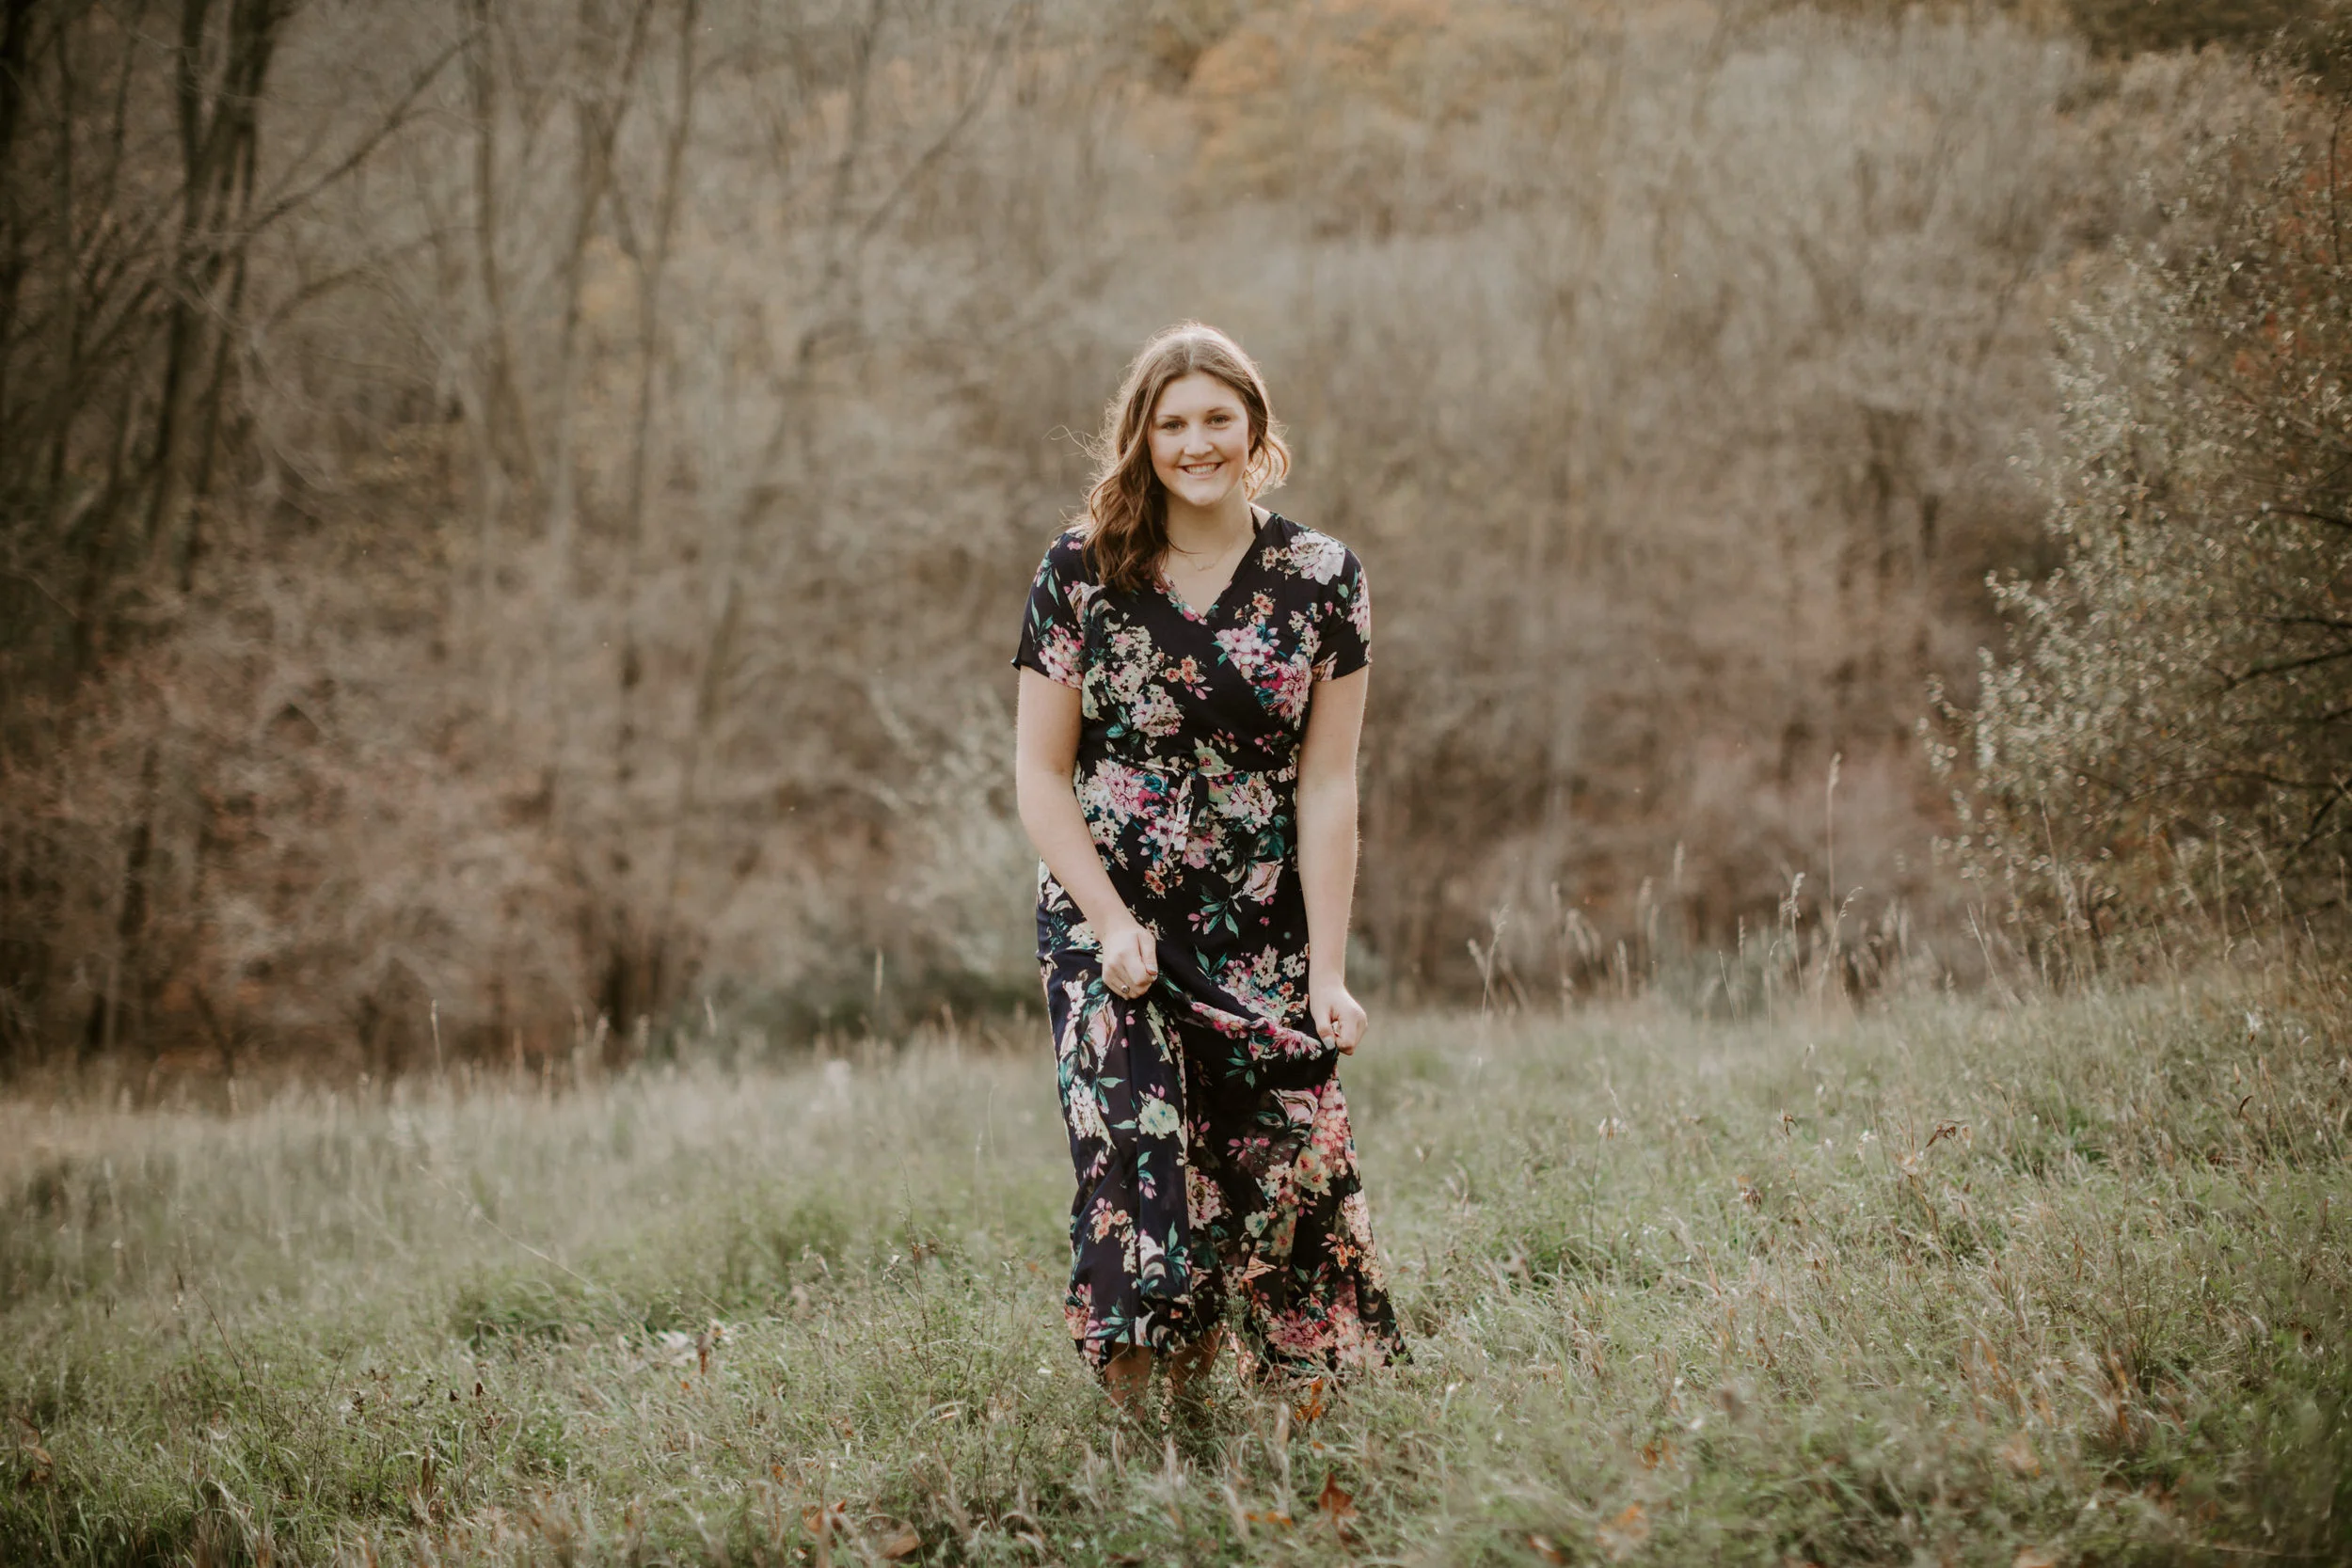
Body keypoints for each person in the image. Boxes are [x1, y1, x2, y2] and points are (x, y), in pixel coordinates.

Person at [1010, 321, 1406, 1418]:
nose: (1196, 443)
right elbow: (1039, 774)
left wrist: (1327, 973)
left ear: (1254, 429)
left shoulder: (1323, 578)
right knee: (1139, 1173)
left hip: (1259, 926)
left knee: (1284, 1177)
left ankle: (1295, 1428)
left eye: (1217, 419)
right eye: (1172, 422)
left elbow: (1328, 786)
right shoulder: (1080, 571)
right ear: (1141, 437)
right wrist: (1108, 920)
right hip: (1109, 920)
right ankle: (1145, 1443)